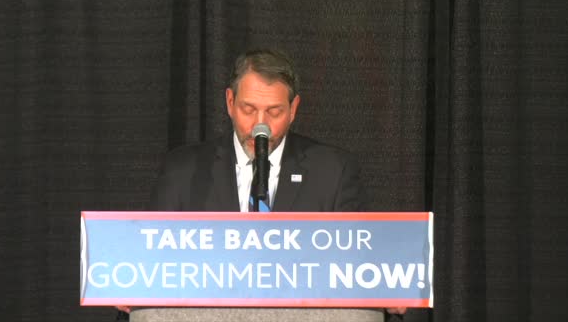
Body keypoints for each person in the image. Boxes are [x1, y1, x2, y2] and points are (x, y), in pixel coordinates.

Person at [116, 49, 405, 319]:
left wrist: (383, 287)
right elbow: (152, 260)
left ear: (294, 109)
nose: (260, 125)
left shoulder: (333, 170)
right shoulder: (184, 170)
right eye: (248, 109)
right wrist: (130, 283)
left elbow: (356, 265)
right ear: (230, 103)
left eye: (274, 111)